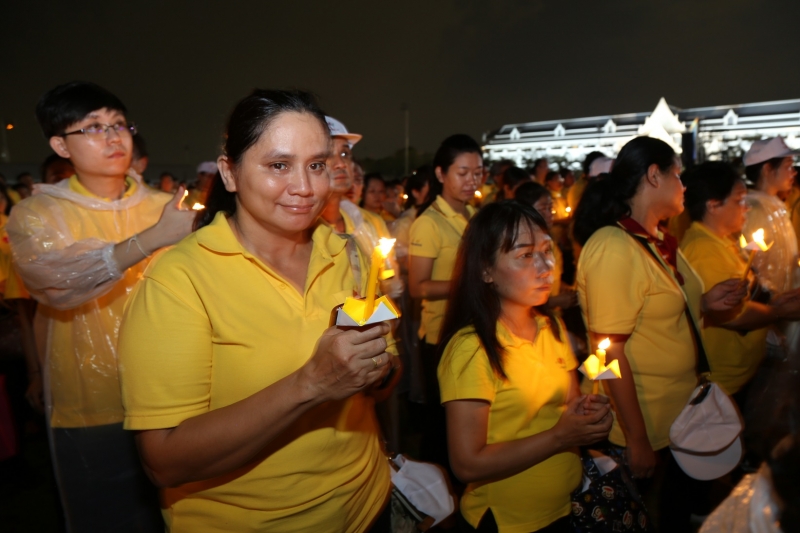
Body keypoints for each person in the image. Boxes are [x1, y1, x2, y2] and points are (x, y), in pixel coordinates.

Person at [118, 89, 397, 532]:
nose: (305, 188)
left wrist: (378, 369)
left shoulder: (349, 252)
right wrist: (310, 384)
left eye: (317, 165)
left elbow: (377, 380)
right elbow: (164, 461)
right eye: (279, 166)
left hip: (367, 504)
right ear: (229, 173)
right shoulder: (179, 281)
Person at [5, 81, 195, 532]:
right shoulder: (39, 213)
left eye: (118, 124)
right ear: (59, 145)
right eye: (92, 128)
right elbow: (58, 282)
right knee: (105, 514)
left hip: (173, 389)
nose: (113, 137)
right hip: (88, 397)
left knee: (181, 512)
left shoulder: (163, 207)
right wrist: (152, 240)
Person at [573, 136, 748, 532]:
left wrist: (704, 304)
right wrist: (636, 437)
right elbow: (606, 354)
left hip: (673, 418)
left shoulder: (655, 240)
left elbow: (658, 312)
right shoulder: (614, 246)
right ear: (654, 176)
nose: (685, 187)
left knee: (672, 514)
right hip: (637, 424)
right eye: (678, 176)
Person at [438, 201, 612, 533]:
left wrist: (589, 414)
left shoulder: (553, 327)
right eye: (525, 255)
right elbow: (467, 463)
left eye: (548, 251)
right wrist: (561, 436)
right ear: (486, 270)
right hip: (508, 521)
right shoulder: (471, 348)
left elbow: (567, 408)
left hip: (564, 508)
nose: (546, 266)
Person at [680, 162, 800, 399]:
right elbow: (733, 315)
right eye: (739, 200)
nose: (746, 208)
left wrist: (776, 301)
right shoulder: (703, 250)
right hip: (721, 382)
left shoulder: (721, 240)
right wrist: (778, 312)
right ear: (713, 205)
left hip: (735, 376)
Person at [409, 134, 482, 468]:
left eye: (477, 172)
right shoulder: (429, 223)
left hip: (472, 331)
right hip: (441, 337)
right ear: (440, 174)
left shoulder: (473, 216)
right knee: (441, 427)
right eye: (462, 173)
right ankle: (434, 504)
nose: (471, 181)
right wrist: (467, 283)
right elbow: (418, 287)